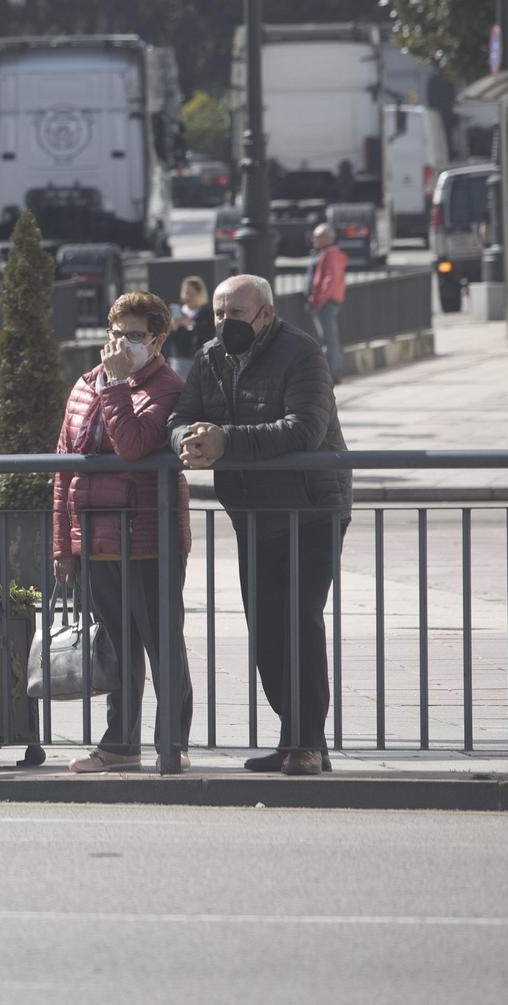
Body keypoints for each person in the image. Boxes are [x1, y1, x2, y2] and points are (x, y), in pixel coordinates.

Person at [168, 274, 350, 777]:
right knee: (268, 637)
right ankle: (297, 738)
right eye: (218, 313)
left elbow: (304, 428)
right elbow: (180, 415)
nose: (225, 322)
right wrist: (188, 439)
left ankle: (305, 744)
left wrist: (226, 440)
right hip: (251, 516)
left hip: (310, 510)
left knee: (300, 626)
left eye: (236, 313)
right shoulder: (210, 358)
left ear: (266, 314)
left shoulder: (301, 352)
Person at [52, 292, 192, 774]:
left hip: (148, 538)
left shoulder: (167, 387)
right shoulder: (85, 384)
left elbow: (131, 445)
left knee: (162, 643)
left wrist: (114, 385)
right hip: (95, 538)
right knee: (116, 648)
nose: (123, 343)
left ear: (157, 340)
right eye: (116, 333)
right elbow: (64, 467)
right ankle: (119, 745)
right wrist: (63, 544)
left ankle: (172, 744)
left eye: (135, 335)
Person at [308, 223, 347, 384]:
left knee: (328, 340)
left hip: (325, 303)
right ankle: (331, 373)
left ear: (326, 238)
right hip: (326, 301)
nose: (314, 240)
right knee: (328, 338)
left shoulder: (330, 254)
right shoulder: (328, 253)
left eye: (317, 237)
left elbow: (330, 279)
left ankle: (331, 374)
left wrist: (320, 300)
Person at [163, 275, 215, 381]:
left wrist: (191, 325)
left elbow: (210, 336)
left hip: (202, 359)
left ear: (199, 294)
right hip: (179, 359)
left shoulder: (207, 313)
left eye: (191, 294)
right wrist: (173, 328)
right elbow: (166, 339)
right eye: (185, 293)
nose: (187, 297)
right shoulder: (176, 312)